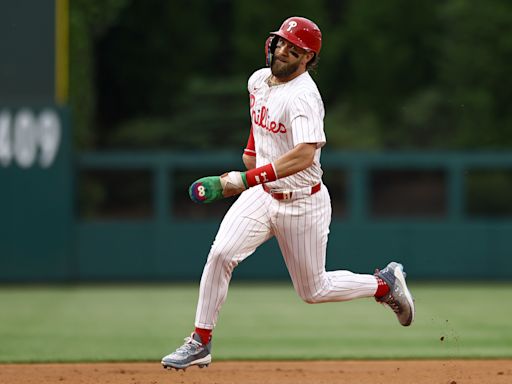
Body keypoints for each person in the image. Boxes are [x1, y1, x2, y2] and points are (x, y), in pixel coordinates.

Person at [161, 16, 415, 371]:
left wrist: (243, 178)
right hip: (263, 195)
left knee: (314, 291)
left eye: (293, 49)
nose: (282, 51)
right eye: (280, 42)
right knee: (220, 254)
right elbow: (257, 119)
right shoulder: (258, 80)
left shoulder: (304, 97)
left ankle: (383, 285)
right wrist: (252, 156)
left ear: (308, 58)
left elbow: (304, 154)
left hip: (303, 201)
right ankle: (200, 341)